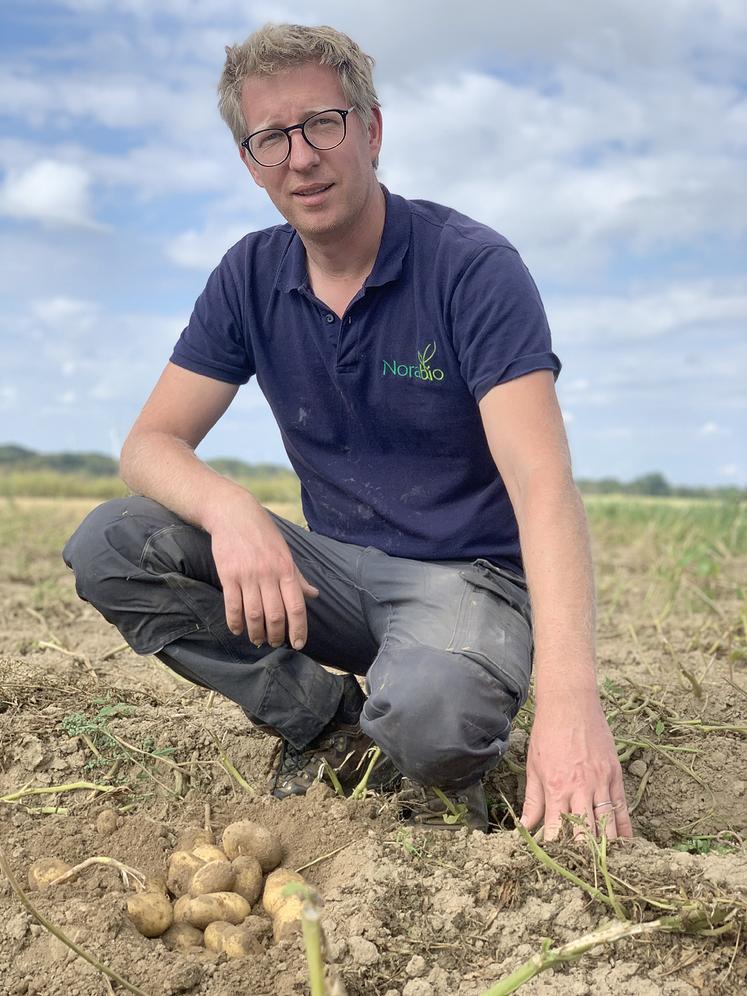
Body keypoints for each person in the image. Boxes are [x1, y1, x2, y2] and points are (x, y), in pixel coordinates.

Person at [63, 23, 632, 837]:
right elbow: (148, 444)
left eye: (322, 123)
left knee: (432, 724)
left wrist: (573, 704)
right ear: (249, 163)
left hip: (466, 580)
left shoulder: (470, 269)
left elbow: (542, 484)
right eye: (270, 138)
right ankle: (327, 727)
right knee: (114, 543)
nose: (300, 157)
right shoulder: (248, 275)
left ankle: (432, 731)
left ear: (369, 127)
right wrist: (234, 513)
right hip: (334, 576)